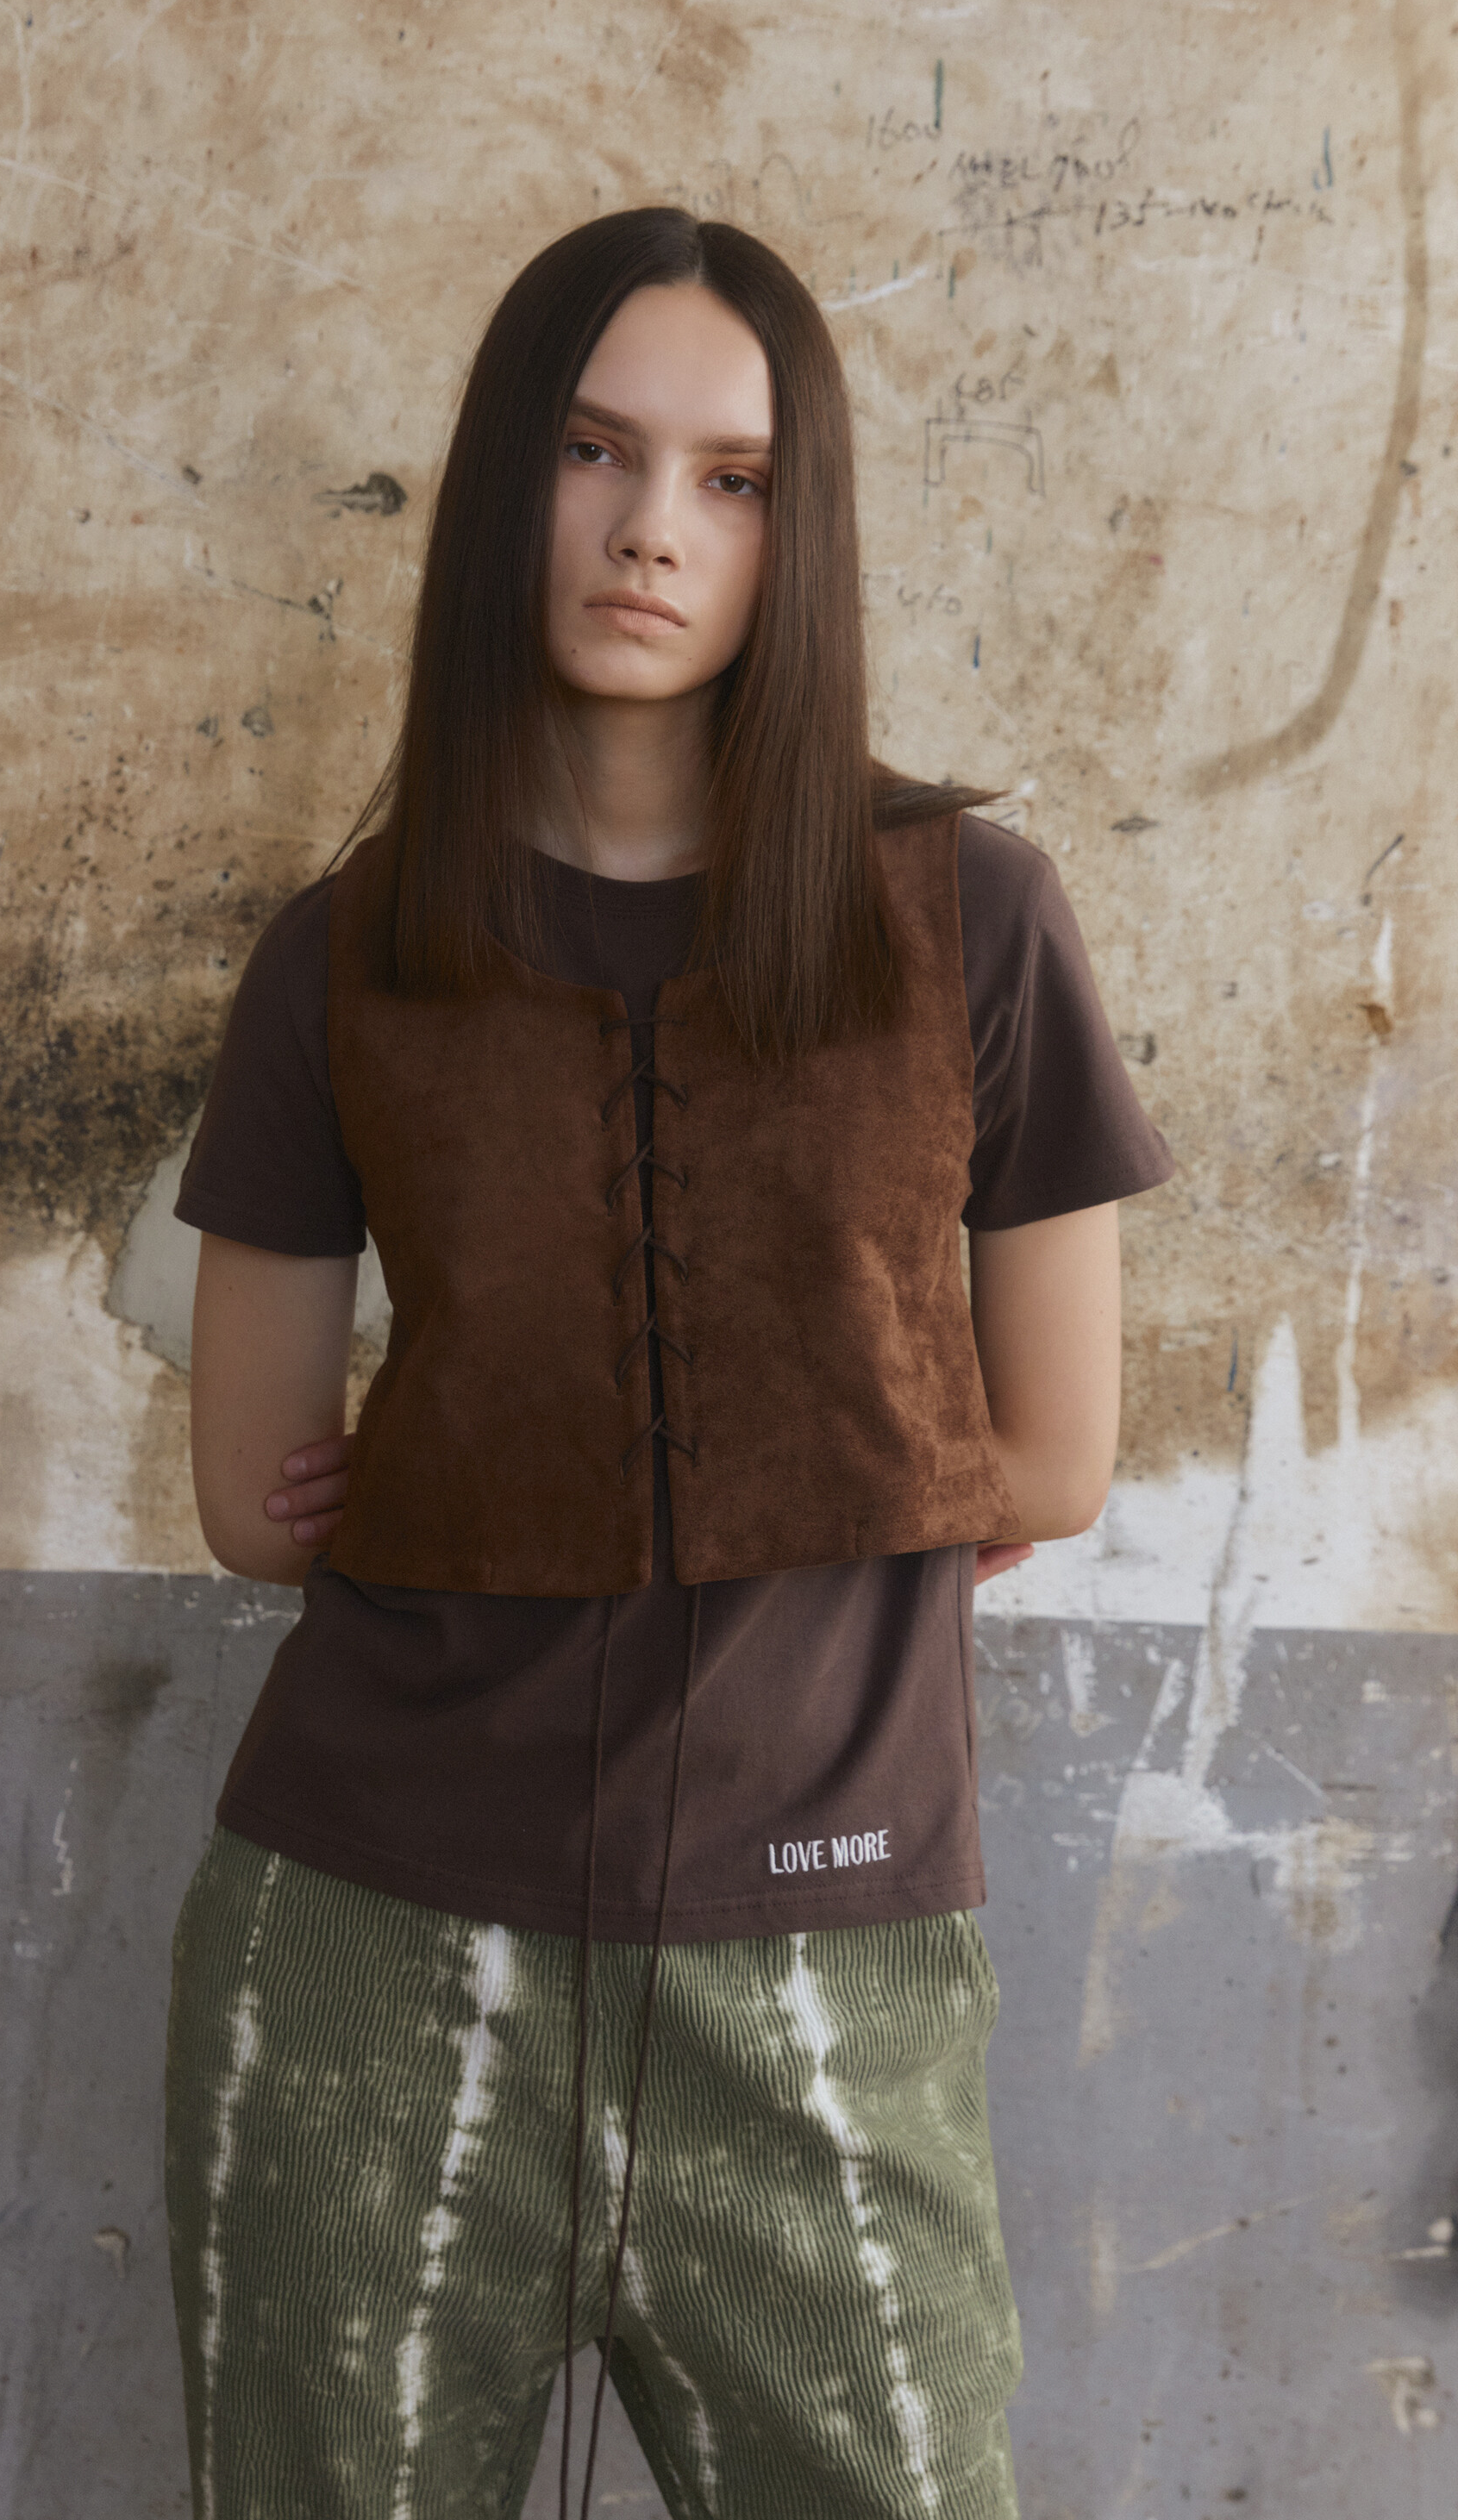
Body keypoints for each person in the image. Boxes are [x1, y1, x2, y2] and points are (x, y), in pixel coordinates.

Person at [165, 207, 1172, 2520]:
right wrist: (828, 1451)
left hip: (830, 1941)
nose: (652, 529)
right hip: (365, 1938)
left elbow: (1054, 1454)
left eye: (734, 479)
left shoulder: (970, 915)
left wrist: (715, 1451)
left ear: (800, 535)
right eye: (594, 451)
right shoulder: (344, 955)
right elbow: (252, 1495)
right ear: (504, 477)